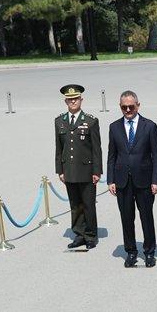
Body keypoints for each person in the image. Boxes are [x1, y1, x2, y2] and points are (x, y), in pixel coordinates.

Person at [106, 91, 157, 268]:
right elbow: (112, 155)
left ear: (138, 105)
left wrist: (156, 180)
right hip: (123, 180)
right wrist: (110, 180)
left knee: (146, 217)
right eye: (124, 107)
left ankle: (149, 252)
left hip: (144, 180)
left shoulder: (150, 126)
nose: (128, 110)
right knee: (126, 217)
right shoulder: (114, 127)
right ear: (120, 107)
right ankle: (130, 251)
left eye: (131, 106)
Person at [54, 83, 102, 251]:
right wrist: (59, 170)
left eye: (75, 99)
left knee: (88, 204)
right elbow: (59, 148)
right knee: (75, 204)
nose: (73, 102)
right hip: (69, 170)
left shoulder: (90, 121)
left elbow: (97, 149)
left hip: (87, 170)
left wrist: (97, 171)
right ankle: (79, 234)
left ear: (81, 99)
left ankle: (90, 235)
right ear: (65, 102)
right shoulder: (59, 121)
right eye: (69, 100)